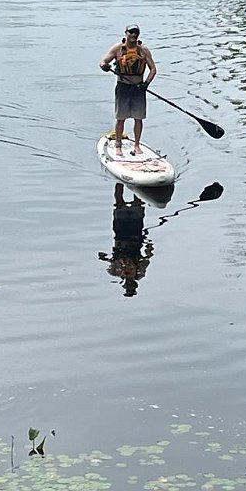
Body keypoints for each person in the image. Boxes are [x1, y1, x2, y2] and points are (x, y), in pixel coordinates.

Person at [99, 24, 157, 156]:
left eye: (136, 32)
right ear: (126, 33)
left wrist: (146, 83)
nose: (133, 35)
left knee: (138, 118)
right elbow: (103, 61)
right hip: (123, 87)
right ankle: (118, 145)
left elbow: (153, 69)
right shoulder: (118, 48)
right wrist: (105, 66)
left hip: (138, 88)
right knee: (121, 118)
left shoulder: (143, 50)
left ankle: (137, 145)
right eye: (131, 32)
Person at [98, 184, 154, 297]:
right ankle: (133, 183)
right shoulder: (140, 273)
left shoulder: (115, 272)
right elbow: (147, 258)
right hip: (135, 235)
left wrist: (105, 258)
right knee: (136, 204)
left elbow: (110, 261)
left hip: (121, 235)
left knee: (120, 204)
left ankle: (120, 182)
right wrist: (149, 248)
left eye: (128, 286)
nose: (129, 284)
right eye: (131, 286)